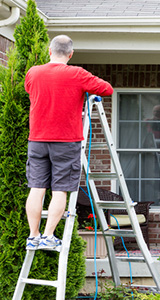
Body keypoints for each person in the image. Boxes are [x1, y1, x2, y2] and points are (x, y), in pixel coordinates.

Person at [23, 35, 113, 251]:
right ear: (70, 54)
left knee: (36, 188)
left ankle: (33, 235)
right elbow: (107, 89)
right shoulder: (77, 74)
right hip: (66, 141)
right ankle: (48, 235)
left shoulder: (33, 72)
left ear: (49, 50)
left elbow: (30, 91)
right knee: (60, 189)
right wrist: (83, 91)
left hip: (37, 139)